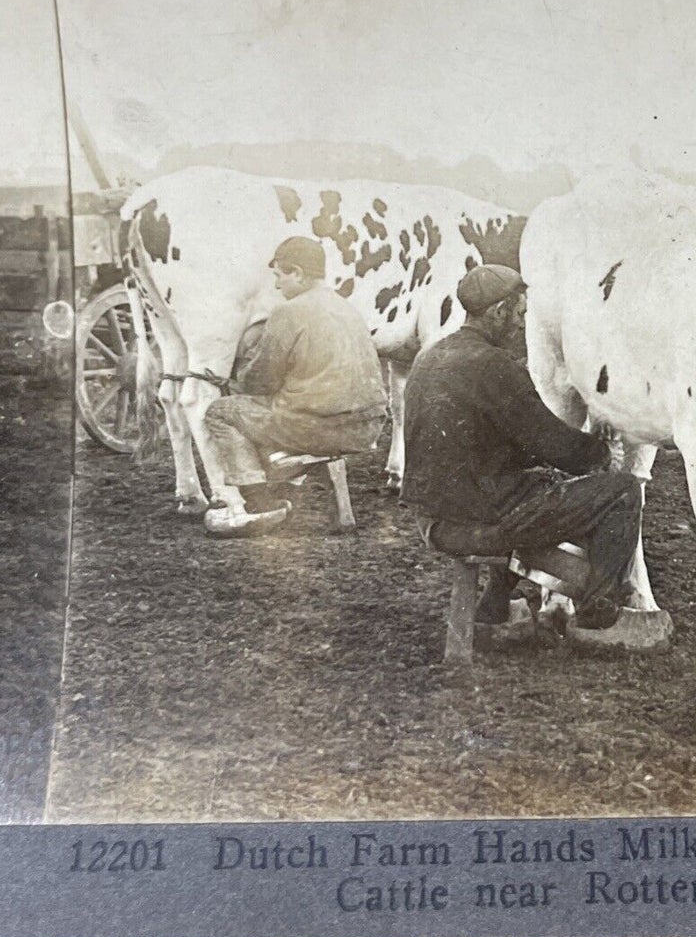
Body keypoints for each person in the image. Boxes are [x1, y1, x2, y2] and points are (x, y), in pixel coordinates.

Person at [401, 263, 647, 649]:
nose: (520, 326)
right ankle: (600, 618)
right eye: (518, 315)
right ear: (498, 312)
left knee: (525, 491)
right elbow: (556, 447)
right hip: (474, 522)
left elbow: (489, 441)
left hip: (433, 518)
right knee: (622, 491)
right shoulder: (493, 366)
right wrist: (602, 450)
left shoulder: (431, 356)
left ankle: (493, 611)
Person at [202, 236, 386, 538]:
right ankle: (285, 479)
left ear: (298, 273)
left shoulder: (288, 312)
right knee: (281, 405)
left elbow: (259, 381)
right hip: (368, 427)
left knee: (222, 412)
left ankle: (255, 502)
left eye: (279, 276)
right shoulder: (348, 308)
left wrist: (231, 377)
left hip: (316, 428)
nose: (276, 286)